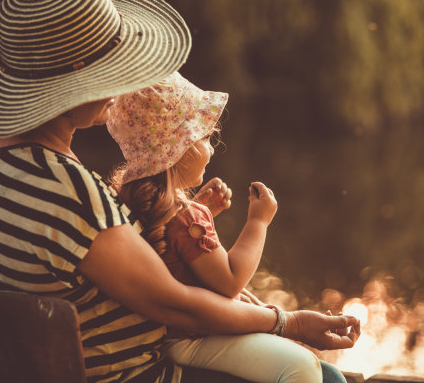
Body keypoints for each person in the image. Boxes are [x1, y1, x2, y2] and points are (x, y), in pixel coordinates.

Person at [0, 0, 360, 383]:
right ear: (72, 82)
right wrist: (287, 322)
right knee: (319, 376)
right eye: (109, 72)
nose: (120, 87)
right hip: (133, 373)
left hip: (48, 365)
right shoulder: (67, 190)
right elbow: (177, 306)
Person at [107, 71, 324, 383]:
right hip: (197, 337)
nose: (211, 147)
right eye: (204, 138)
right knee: (303, 366)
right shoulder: (187, 217)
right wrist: (258, 221)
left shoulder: (130, 200)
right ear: (178, 150)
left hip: (168, 336)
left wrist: (205, 213)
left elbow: (170, 254)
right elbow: (230, 281)